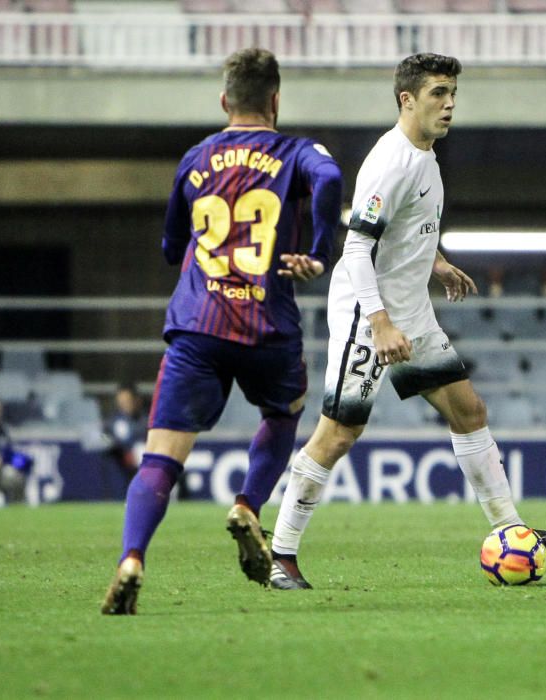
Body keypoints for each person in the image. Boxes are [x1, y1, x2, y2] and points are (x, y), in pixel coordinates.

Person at [268, 53, 546, 590]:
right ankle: (280, 554)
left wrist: (433, 263)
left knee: (468, 409)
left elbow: (403, 231)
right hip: (369, 315)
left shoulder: (426, 157)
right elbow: (357, 249)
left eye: (453, 93)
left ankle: (512, 531)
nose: (450, 103)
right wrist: (382, 323)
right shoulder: (392, 162)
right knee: (340, 432)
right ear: (406, 100)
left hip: (410, 309)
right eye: (439, 93)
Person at [101, 47, 343, 614]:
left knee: (160, 457)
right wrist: (315, 250)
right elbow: (330, 176)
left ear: (224, 100)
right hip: (267, 323)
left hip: (198, 326)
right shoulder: (297, 151)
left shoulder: (196, 157)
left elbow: (169, 248)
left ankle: (132, 558)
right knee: (284, 414)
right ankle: (248, 507)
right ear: (275, 101)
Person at [101, 384, 147, 483]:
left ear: (136, 400)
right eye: (121, 401)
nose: (124, 404)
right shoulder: (112, 421)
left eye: (127, 401)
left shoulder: (146, 420)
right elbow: (104, 438)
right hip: (121, 459)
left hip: (142, 459)